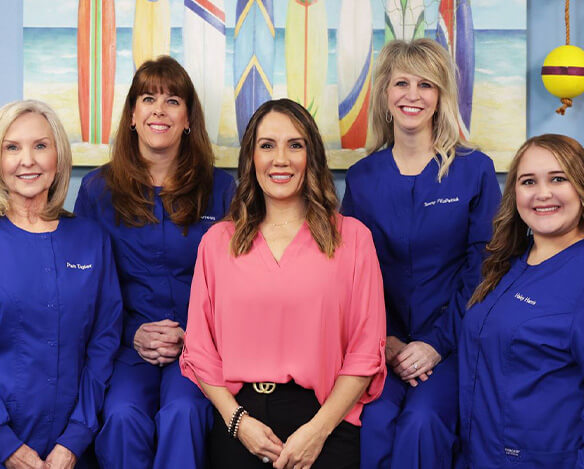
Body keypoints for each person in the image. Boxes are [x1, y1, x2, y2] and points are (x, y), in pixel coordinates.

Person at [180, 98, 386, 469]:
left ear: (312, 157)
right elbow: (199, 348)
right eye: (267, 145)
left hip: (325, 421)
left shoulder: (353, 239)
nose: (281, 159)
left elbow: (365, 351)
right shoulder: (217, 242)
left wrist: (318, 431)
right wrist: (237, 422)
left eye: (295, 145)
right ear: (251, 158)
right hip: (240, 421)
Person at [341, 38, 502, 468]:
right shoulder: (361, 178)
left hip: (453, 343)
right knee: (371, 420)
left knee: (423, 421)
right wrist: (387, 340)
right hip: (382, 343)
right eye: (402, 83)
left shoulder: (474, 169)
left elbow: (484, 268)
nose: (413, 95)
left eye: (426, 85)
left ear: (441, 95)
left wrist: (435, 343)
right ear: (385, 93)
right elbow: (350, 274)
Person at [74, 56, 235, 469]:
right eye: (148, 98)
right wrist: (135, 333)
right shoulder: (96, 190)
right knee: (122, 415)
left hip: (200, 346)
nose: (159, 110)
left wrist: (194, 334)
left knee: (185, 413)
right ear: (132, 115)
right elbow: (85, 290)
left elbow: (239, 283)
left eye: (173, 100)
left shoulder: (221, 188)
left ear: (187, 119)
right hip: (128, 346)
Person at [0, 100, 122, 469]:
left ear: (59, 156)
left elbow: (104, 342)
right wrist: (5, 443)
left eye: (41, 146)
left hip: (74, 451)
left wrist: (75, 438)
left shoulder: (91, 239)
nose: (28, 160)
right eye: (12, 147)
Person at [459, 134, 584, 468]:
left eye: (558, 179)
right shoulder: (507, 262)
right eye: (529, 181)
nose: (542, 193)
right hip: (478, 456)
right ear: (515, 193)